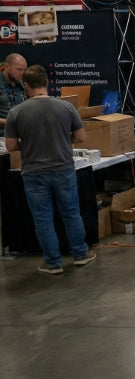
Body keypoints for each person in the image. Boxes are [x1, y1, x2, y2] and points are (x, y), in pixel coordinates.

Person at [4, 65, 96, 274]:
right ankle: (80, 254)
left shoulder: (16, 112)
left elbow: (10, 146)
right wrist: (64, 140)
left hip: (34, 173)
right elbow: (81, 137)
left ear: (26, 85)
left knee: (43, 218)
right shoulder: (66, 108)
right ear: (47, 82)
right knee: (71, 213)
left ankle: (53, 263)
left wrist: (27, 145)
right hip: (63, 168)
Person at [0, 52, 28, 138]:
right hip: (2, 135)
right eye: (19, 69)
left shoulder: (24, 84)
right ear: (6, 66)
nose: (22, 73)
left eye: (24, 70)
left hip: (21, 134)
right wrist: (11, 122)